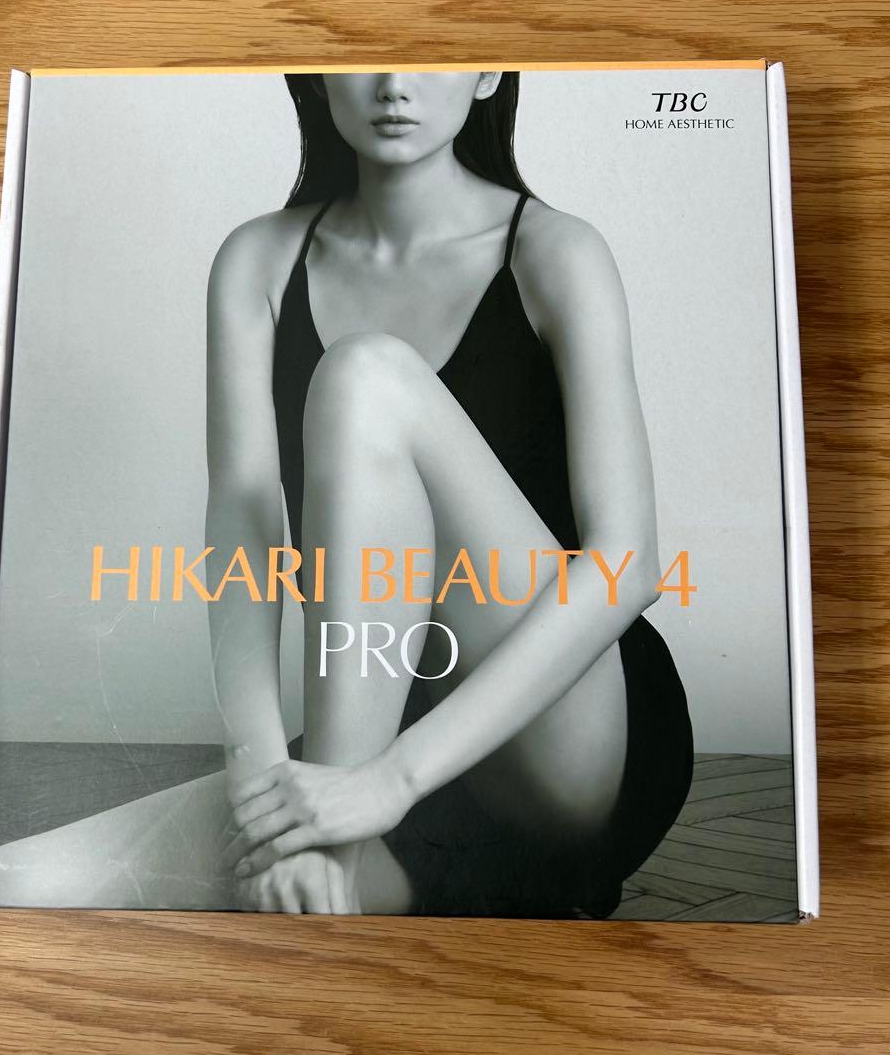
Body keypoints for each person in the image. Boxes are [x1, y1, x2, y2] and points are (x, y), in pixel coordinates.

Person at [203, 70, 693, 916]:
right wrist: (260, 779)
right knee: (77, 872)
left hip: (566, 730)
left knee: (364, 378)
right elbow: (243, 530)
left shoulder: (556, 253)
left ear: (491, 70)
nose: (395, 84)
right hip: (388, 722)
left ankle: (338, 853)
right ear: (315, 71)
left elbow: (629, 562)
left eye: (430, 53)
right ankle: (347, 870)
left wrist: (383, 783)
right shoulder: (258, 261)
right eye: (365, 52)